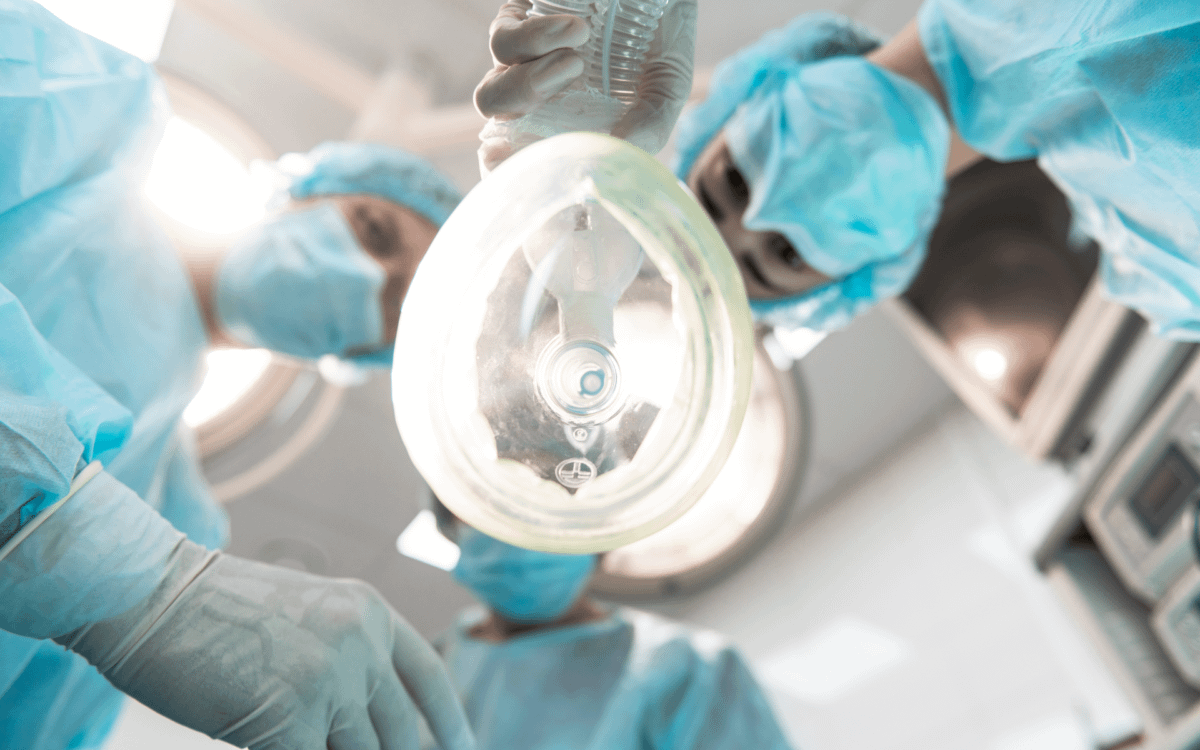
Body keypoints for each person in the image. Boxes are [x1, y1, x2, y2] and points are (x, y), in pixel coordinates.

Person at [0, 2, 473, 749]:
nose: (361, 276)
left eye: (392, 306)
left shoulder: (179, 519)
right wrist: (127, 575)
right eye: (373, 231)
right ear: (304, 187)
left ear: (351, 358)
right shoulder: (91, 110)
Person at [474, 0, 1200, 340]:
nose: (758, 218)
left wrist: (619, 13)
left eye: (727, 185)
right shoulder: (1164, 259)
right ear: (879, 262)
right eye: (783, 256)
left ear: (750, 92)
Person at [422, 498, 794, 750]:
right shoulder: (415, 672)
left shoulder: (690, 670)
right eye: (495, 501)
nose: (521, 526)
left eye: (553, 502)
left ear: (601, 531)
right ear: (449, 513)